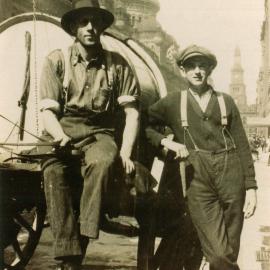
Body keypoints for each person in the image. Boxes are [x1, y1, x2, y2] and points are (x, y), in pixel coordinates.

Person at [39, 1, 139, 269]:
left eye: (95, 22)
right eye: (83, 22)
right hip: (62, 128)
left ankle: (86, 231)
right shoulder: (56, 60)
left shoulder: (117, 65)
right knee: (53, 172)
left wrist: (126, 151)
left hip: (99, 132)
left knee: (103, 162)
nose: (90, 28)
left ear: (102, 27)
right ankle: (69, 256)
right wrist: (59, 135)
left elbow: (132, 113)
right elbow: (48, 112)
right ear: (73, 27)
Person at [146, 44, 257, 270]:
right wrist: (166, 142)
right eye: (191, 66)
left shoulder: (226, 101)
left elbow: (243, 146)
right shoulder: (173, 102)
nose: (197, 71)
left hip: (231, 177)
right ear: (183, 70)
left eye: (202, 66)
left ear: (209, 70)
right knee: (218, 254)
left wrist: (251, 187)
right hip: (198, 181)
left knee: (230, 251)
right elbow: (146, 126)